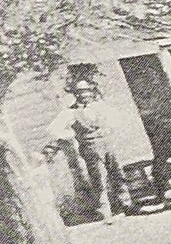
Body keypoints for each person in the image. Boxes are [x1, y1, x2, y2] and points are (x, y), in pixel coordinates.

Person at [45, 78, 132, 222]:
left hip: (108, 145)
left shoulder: (100, 107)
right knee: (99, 180)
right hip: (90, 150)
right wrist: (70, 135)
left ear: (91, 91)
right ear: (75, 93)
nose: (85, 94)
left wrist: (109, 128)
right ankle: (106, 212)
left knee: (118, 174)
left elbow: (118, 119)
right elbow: (52, 130)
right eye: (80, 92)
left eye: (87, 91)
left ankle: (127, 205)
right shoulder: (70, 113)